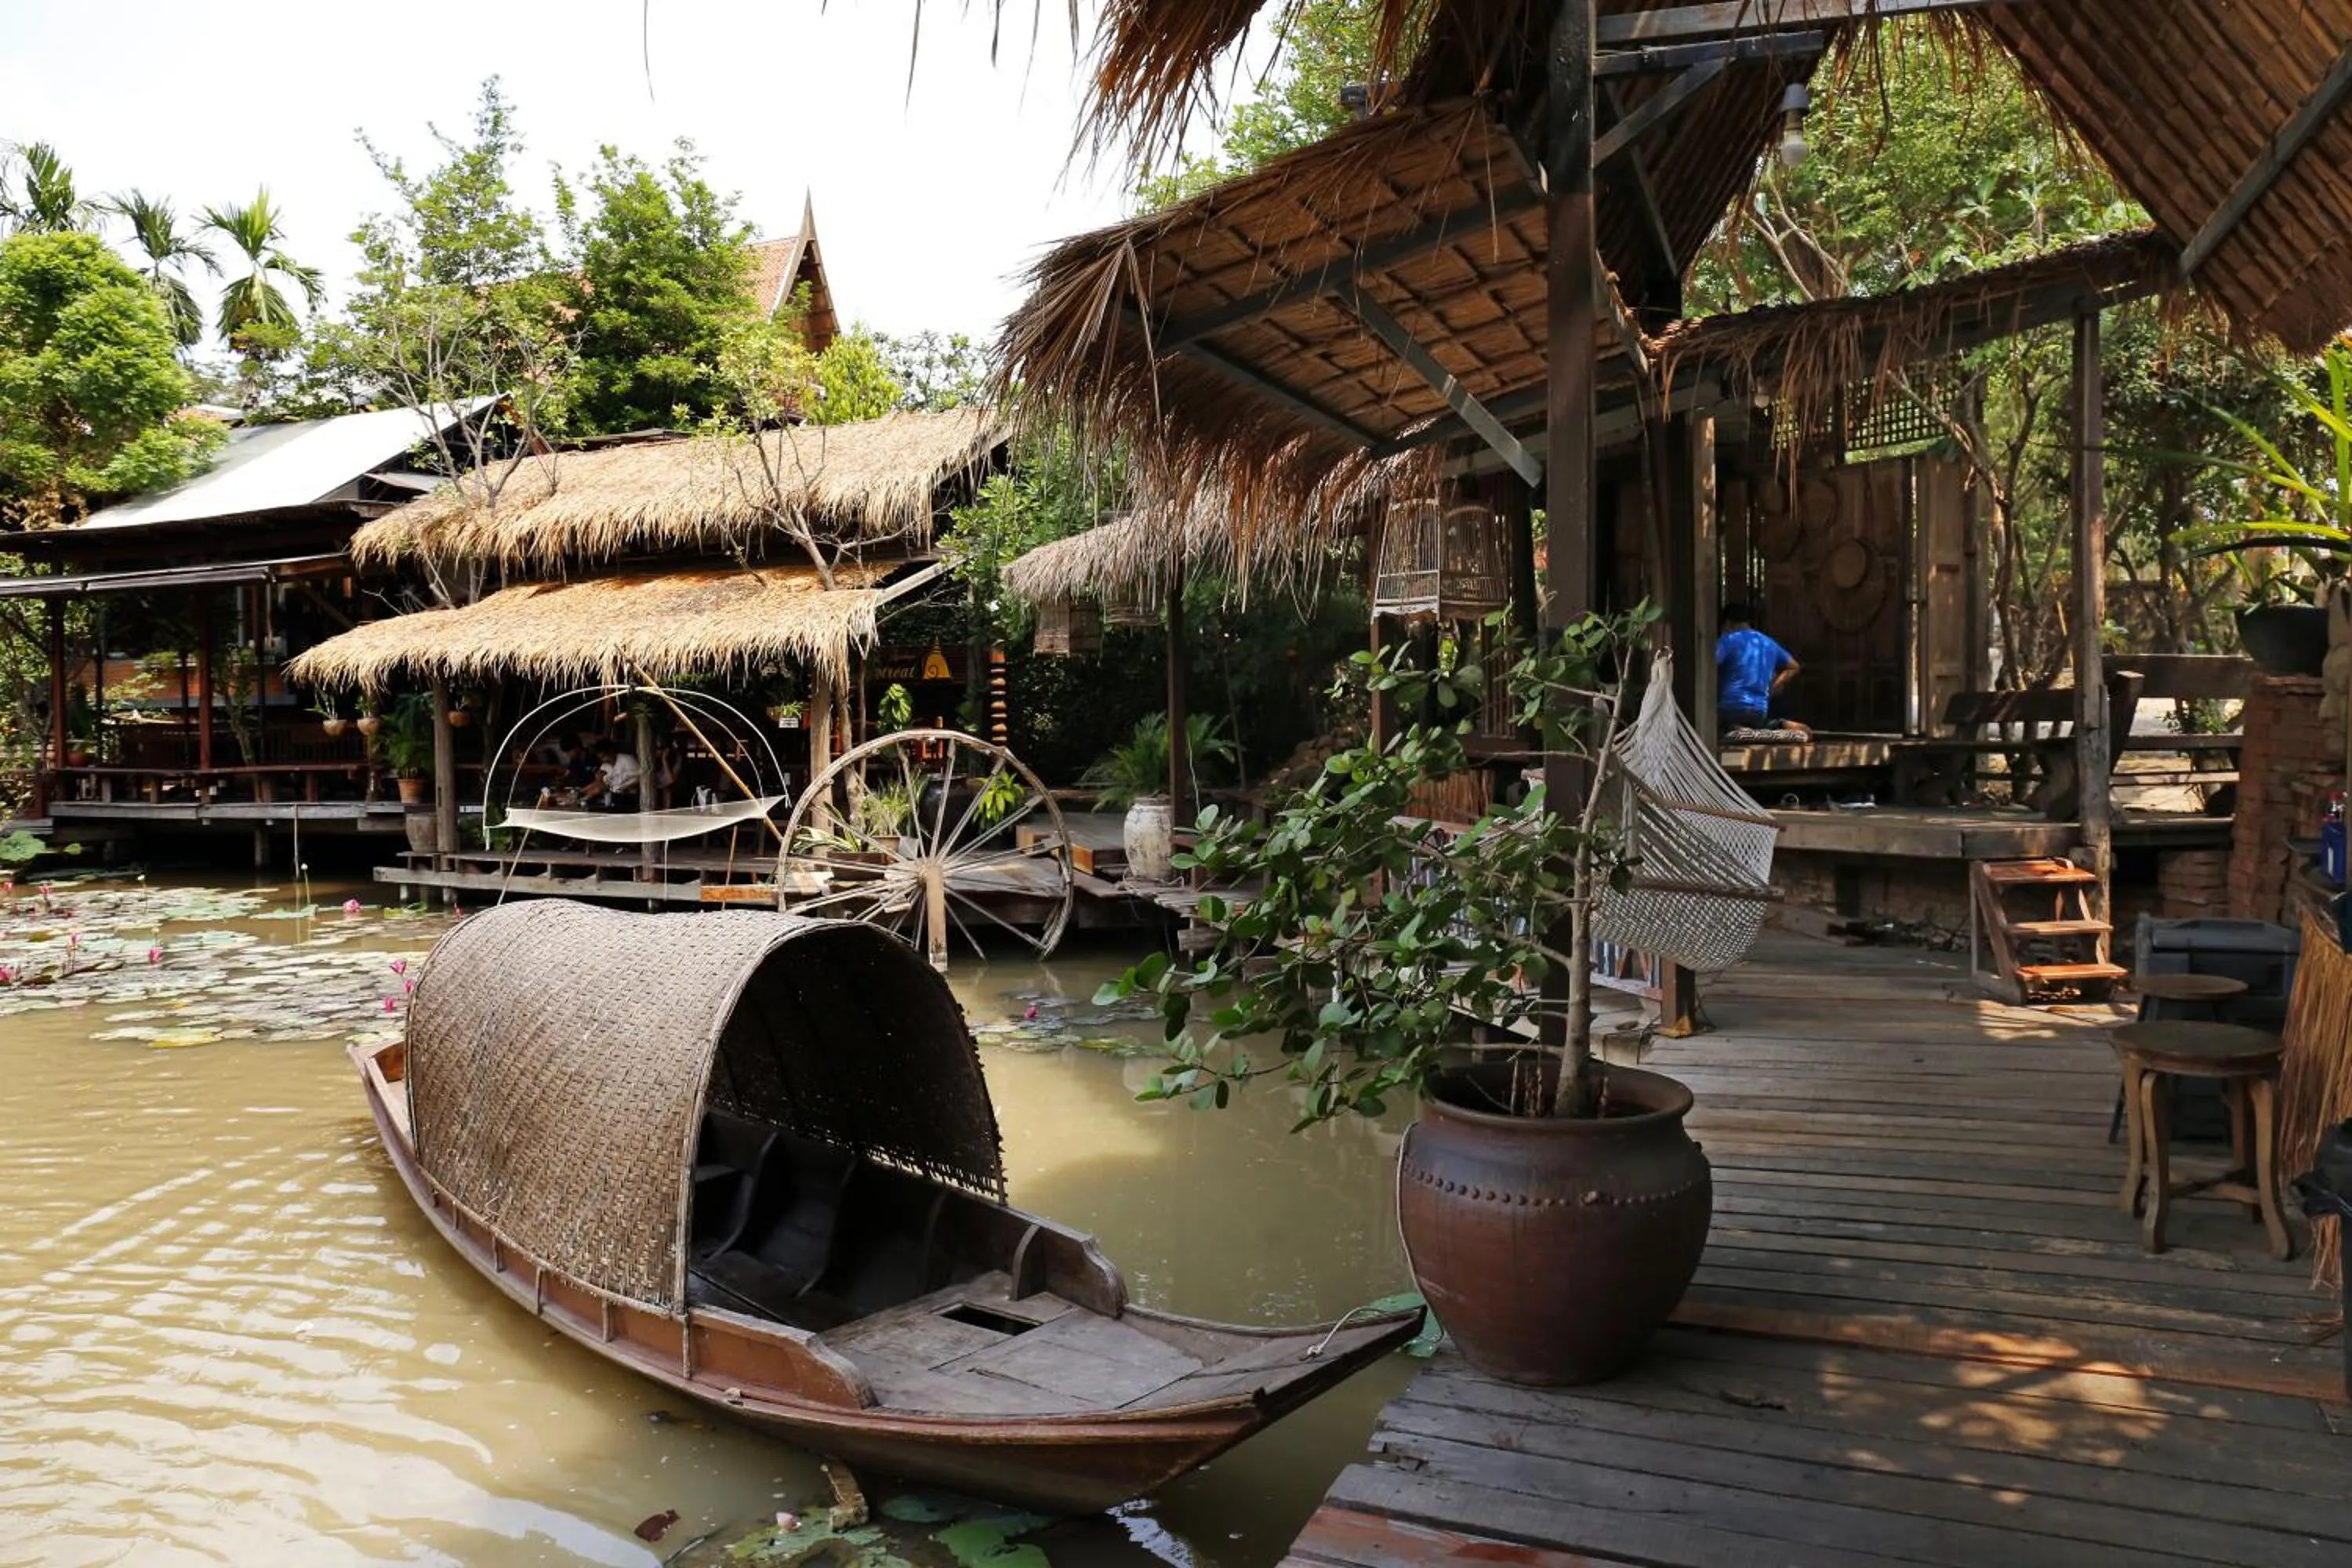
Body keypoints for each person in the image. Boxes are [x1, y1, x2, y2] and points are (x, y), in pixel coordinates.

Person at [1716, 603, 1809, 737]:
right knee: (1757, 725)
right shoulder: (1768, 642)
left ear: (1728, 623)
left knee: (1709, 723)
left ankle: (1734, 728)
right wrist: (1771, 688)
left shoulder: (1728, 639)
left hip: (1731, 707)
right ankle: (1779, 725)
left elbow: (1710, 664)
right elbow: (1794, 666)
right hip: (1760, 709)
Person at [581, 739, 643, 809]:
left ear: (611, 752)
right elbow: (604, 788)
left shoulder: (627, 760)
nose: (604, 760)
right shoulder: (604, 767)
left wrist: (623, 787)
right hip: (614, 797)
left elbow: (640, 777)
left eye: (604, 756)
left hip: (630, 797)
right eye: (601, 758)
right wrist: (599, 780)